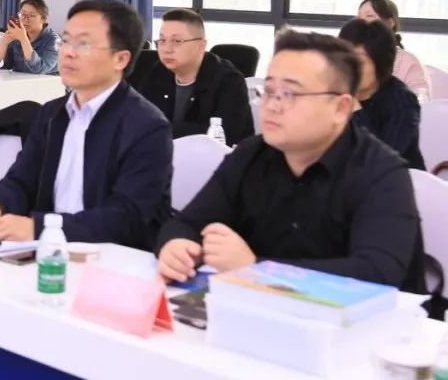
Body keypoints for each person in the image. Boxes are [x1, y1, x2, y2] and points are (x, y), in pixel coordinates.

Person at [156, 31, 424, 292]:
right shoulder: (251, 155)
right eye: (269, 91)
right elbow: (186, 223)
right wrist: (176, 246)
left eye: (290, 94)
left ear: (340, 108)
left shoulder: (382, 173)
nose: (272, 106)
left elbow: (376, 274)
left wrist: (256, 270)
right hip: (260, 310)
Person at [0, 0, 173, 247]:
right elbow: (21, 180)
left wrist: (39, 228)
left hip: (112, 258)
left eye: (84, 44)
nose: (68, 53)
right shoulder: (51, 114)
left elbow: (127, 219)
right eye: (66, 41)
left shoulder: (147, 127)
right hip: (48, 253)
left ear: (121, 59)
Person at [134, 8, 253, 146]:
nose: (167, 49)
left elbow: (224, 135)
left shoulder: (229, 81)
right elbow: (139, 118)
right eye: (162, 40)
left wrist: (158, 129)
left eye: (177, 41)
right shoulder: (159, 71)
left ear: (201, 46)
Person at [338, 19, 425, 170]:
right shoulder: (334, 93)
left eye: (359, 61)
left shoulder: (403, 101)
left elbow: (383, 160)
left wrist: (355, 108)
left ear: (380, 62)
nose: (351, 68)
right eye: (346, 60)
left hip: (398, 180)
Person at [358, 0, 432, 97]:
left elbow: (421, 99)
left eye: (369, 16)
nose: (361, 22)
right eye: (359, 17)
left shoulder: (408, 61)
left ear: (390, 23)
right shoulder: (349, 57)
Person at [0, 0, 59, 75]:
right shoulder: (17, 37)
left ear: (43, 19)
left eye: (32, 15)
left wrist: (23, 39)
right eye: (23, 14)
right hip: (20, 81)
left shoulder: (54, 41)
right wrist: (4, 43)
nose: (26, 19)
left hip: (47, 82)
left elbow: (39, 70)